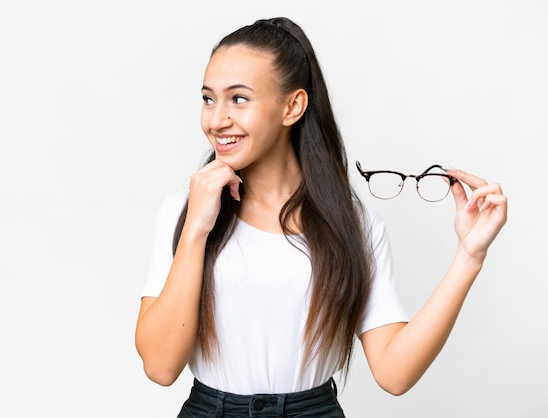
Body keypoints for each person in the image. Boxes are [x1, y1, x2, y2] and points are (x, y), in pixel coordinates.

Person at [135, 17, 507, 418]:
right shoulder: (183, 213)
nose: (216, 120)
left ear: (292, 106)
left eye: (238, 99)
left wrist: (469, 257)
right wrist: (196, 229)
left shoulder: (352, 226)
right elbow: (160, 366)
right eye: (209, 99)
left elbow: (394, 372)